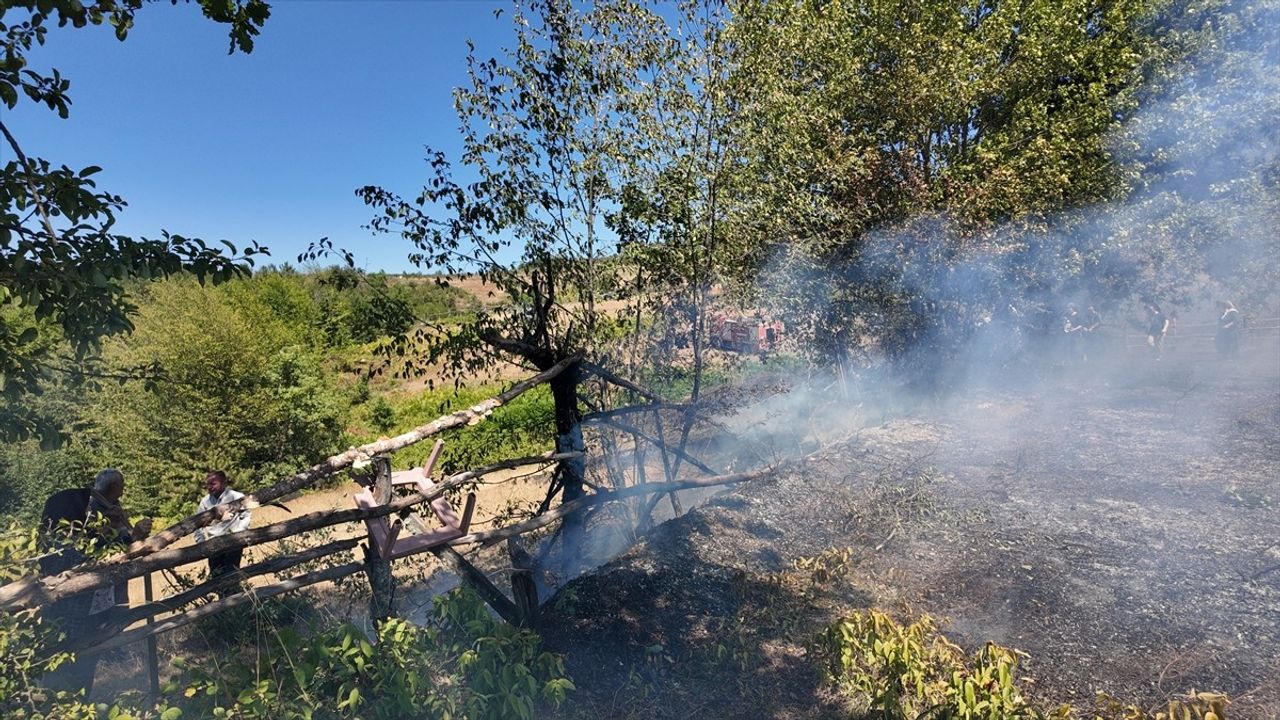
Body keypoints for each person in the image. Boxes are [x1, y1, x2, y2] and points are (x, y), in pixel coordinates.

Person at [38, 469, 151, 695]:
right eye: (121, 486)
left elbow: (120, 545)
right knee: (68, 659)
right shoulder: (82, 515)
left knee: (86, 657)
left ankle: (76, 701)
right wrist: (124, 535)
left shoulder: (108, 509)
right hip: (76, 605)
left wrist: (133, 535)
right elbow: (93, 555)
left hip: (95, 602)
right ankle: (62, 702)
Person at [194, 470, 252, 578]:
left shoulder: (236, 496)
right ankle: (223, 595)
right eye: (208, 484)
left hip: (233, 541)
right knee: (216, 576)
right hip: (213, 544)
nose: (209, 487)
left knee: (231, 573)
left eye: (213, 484)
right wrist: (201, 542)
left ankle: (235, 594)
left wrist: (238, 534)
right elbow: (197, 524)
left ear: (224, 483)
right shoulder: (205, 502)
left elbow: (246, 516)